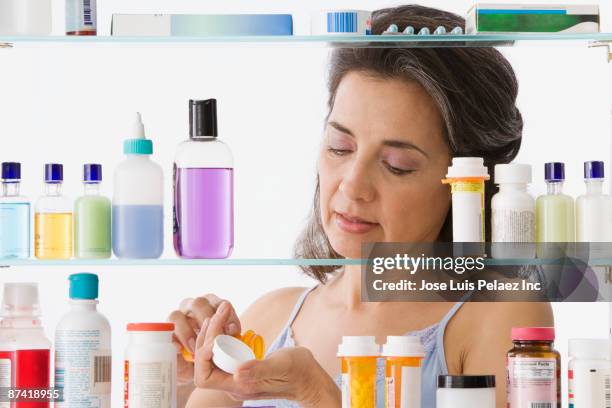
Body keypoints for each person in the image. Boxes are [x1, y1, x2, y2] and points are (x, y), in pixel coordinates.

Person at [170, 5, 553, 408]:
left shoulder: (499, 315)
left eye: (396, 166)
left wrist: (317, 393)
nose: (352, 186)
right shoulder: (270, 316)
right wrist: (171, 377)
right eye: (340, 147)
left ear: (467, 183)